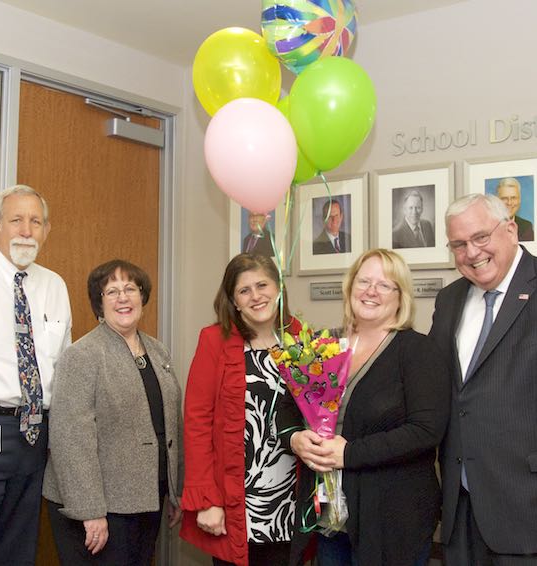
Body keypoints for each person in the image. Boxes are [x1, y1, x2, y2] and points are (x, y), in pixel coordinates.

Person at [279, 248, 450, 566]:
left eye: (385, 285)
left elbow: (426, 431)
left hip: (393, 521)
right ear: (349, 287)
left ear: (401, 297)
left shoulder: (417, 351)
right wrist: (294, 439)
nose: (371, 291)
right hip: (330, 520)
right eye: (364, 281)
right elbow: (287, 406)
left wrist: (350, 453)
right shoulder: (323, 344)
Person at [43, 259, 183, 565]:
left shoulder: (158, 351)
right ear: (99, 302)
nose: (123, 297)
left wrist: (175, 491)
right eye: (112, 291)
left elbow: (171, 425)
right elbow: (71, 441)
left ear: (142, 296)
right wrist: (90, 510)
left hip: (148, 497)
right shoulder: (81, 356)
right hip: (100, 506)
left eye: (130, 288)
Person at [429, 193, 537, 564]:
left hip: (526, 507)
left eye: (480, 238)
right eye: (459, 244)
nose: (472, 253)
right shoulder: (449, 300)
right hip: (460, 510)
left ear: (510, 230)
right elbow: (438, 390)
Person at [0, 184, 72, 566]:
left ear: (46, 230)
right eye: (16, 220)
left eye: (36, 221)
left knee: (19, 547)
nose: (26, 230)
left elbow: (62, 363)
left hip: (34, 436)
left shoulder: (55, 285)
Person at [180, 253, 302, 566]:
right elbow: (197, 424)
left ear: (278, 289)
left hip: (290, 498)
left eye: (262, 285)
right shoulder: (214, 341)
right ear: (233, 301)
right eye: (244, 290)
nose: (255, 296)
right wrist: (208, 500)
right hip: (234, 501)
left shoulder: (300, 337)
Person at [496, 176, 534, 241]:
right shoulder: (489, 226)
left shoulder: (526, 227)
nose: (509, 203)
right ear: (497, 200)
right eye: (504, 198)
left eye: (513, 198)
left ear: (519, 200)